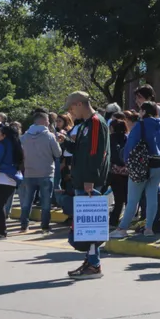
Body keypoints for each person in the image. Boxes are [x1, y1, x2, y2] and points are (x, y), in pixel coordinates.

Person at [64, 92, 110, 279]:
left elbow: (95, 153)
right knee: (86, 226)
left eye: (71, 108)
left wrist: (90, 179)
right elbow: (81, 150)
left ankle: (94, 264)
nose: (70, 112)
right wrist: (65, 142)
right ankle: (91, 262)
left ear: (78, 104)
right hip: (83, 179)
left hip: (88, 181)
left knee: (90, 226)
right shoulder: (85, 124)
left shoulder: (96, 122)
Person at [110, 101, 160, 239]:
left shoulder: (140, 125)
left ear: (143, 112)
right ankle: (149, 228)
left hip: (141, 165)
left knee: (132, 200)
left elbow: (130, 145)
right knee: (152, 198)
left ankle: (122, 228)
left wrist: (127, 162)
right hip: (158, 165)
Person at [19, 111, 63, 234]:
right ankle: (44, 226)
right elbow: (58, 153)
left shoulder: (24, 136)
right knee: (46, 201)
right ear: (43, 121)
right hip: (46, 172)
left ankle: (24, 225)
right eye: (48, 120)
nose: (49, 122)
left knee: (27, 200)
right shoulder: (49, 136)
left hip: (29, 172)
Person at [0, 123, 24, 239]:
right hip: (12, 179)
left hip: (0, 178)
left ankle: (1, 230)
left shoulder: (2, 145)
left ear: (4, 134)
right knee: (1, 205)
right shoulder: (16, 145)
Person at [107, 119, 130, 229]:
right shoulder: (127, 138)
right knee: (127, 198)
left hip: (114, 172)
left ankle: (113, 221)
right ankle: (127, 220)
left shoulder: (110, 138)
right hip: (126, 172)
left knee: (118, 199)